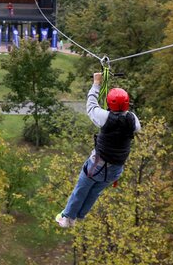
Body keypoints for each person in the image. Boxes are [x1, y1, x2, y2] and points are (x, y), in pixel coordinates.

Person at [55, 72, 141, 228]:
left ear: (110, 103)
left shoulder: (105, 118)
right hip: (115, 170)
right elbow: (133, 125)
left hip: (98, 165)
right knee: (94, 192)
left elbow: (91, 105)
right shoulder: (132, 120)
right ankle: (79, 215)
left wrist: (96, 83)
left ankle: (67, 218)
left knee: (81, 189)